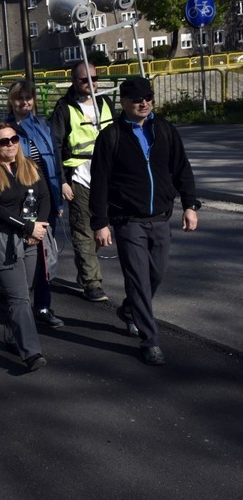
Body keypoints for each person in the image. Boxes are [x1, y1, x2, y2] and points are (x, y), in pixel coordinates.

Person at [90, 77, 200, 366]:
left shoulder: (164, 129)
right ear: (124, 102)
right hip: (129, 221)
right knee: (138, 279)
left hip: (161, 217)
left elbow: (182, 169)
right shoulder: (111, 136)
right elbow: (99, 181)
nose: (144, 103)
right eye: (138, 99)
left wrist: (190, 204)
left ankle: (130, 311)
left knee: (156, 275)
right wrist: (100, 222)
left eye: (148, 98)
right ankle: (150, 340)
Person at [0, 123, 51, 371]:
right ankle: (31, 352)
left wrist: (38, 227)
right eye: (3, 141)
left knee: (23, 291)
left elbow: (44, 197)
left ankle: (11, 334)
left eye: (13, 138)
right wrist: (25, 227)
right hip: (3, 239)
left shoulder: (29, 165)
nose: (10, 144)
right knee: (20, 298)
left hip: (31, 238)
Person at [51, 62, 115, 302]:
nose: (91, 83)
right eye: (84, 79)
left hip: (109, 178)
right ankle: (91, 281)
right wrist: (62, 181)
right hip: (79, 178)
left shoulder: (106, 103)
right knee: (84, 230)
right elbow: (55, 147)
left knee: (101, 230)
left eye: (94, 78)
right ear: (74, 81)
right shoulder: (64, 109)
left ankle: (85, 271)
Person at [6, 80, 65, 329]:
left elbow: (55, 160)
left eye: (29, 98)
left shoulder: (42, 125)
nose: (25, 103)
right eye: (20, 98)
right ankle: (18, 307)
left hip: (44, 197)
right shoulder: (5, 129)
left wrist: (59, 194)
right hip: (19, 199)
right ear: (12, 101)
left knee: (43, 254)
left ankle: (42, 305)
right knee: (20, 256)